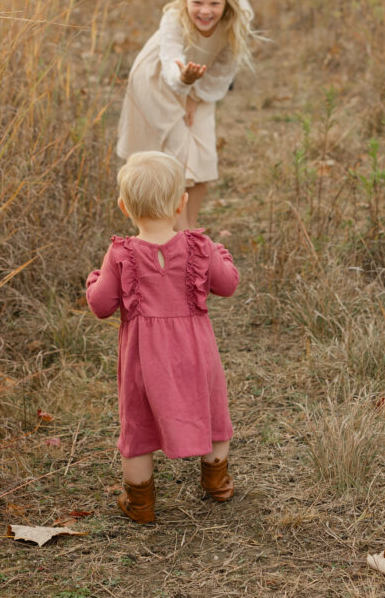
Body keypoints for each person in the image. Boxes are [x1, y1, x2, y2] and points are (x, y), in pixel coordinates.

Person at [86, 150, 239, 523]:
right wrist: (223, 256)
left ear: (124, 206)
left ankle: (140, 503)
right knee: (211, 408)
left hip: (143, 359)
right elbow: (227, 284)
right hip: (196, 352)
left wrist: (93, 280)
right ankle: (216, 481)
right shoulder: (200, 247)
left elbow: (101, 305)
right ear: (181, 203)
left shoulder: (120, 254)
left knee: (138, 422)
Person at [116, 0, 253, 230]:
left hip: (200, 87)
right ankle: (174, 231)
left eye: (214, 3)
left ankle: (190, 225)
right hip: (159, 82)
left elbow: (222, 73)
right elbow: (170, 63)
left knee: (203, 153)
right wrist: (183, 82)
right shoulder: (174, 19)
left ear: (227, 3)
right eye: (198, 2)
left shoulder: (234, 26)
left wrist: (193, 95)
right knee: (175, 155)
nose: (205, 10)